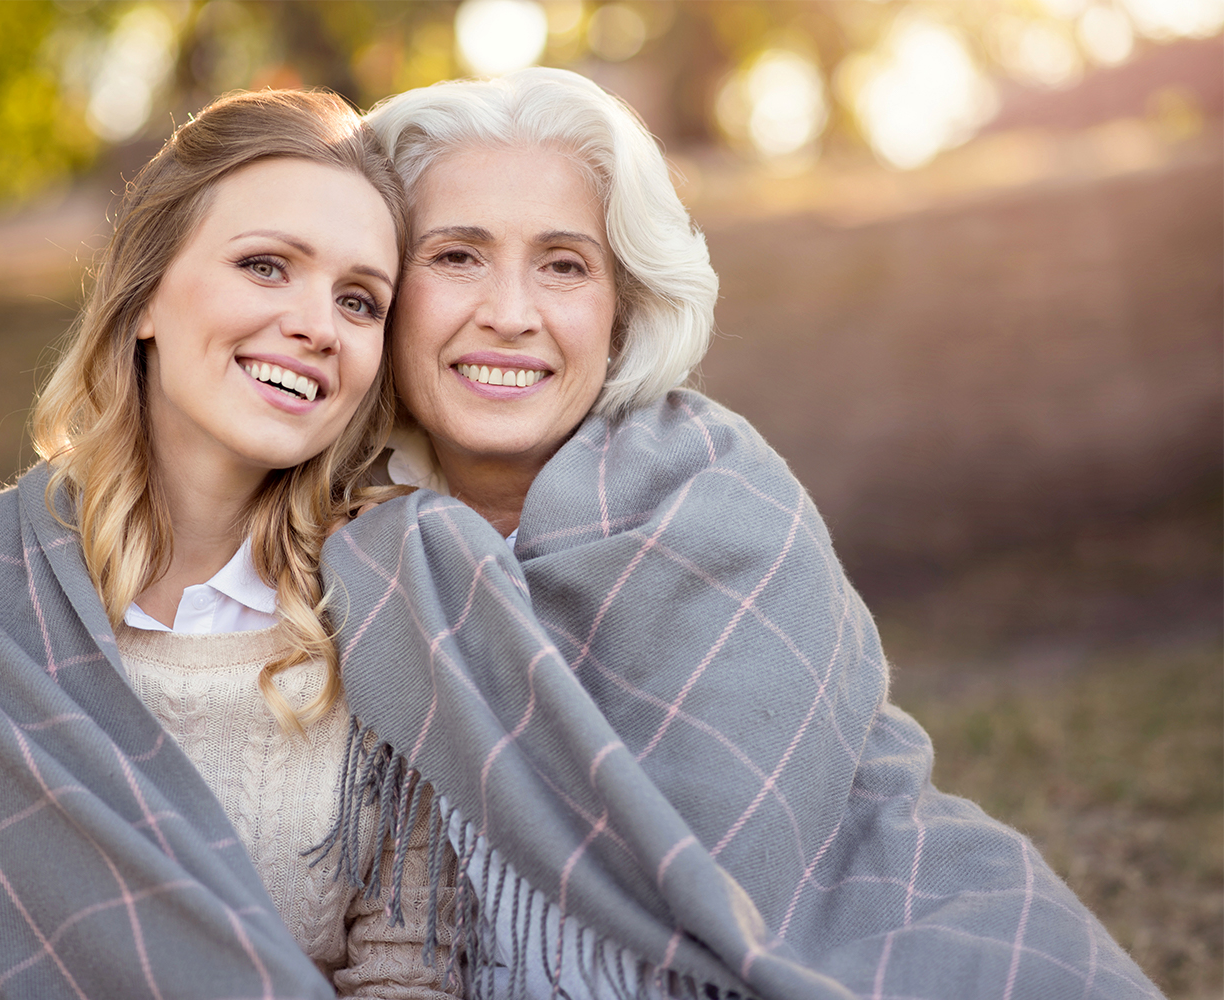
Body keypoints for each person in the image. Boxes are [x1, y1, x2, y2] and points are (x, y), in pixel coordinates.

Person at [317, 68, 1164, 1000]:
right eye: (456, 256)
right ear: (380, 292)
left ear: (621, 306)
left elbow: (761, 865)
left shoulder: (712, 498)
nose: (512, 313)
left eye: (565, 264)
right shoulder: (350, 548)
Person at [0, 89, 459, 999]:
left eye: (360, 301)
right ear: (144, 298)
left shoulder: (390, 609)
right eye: (263, 265)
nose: (317, 326)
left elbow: (411, 973)